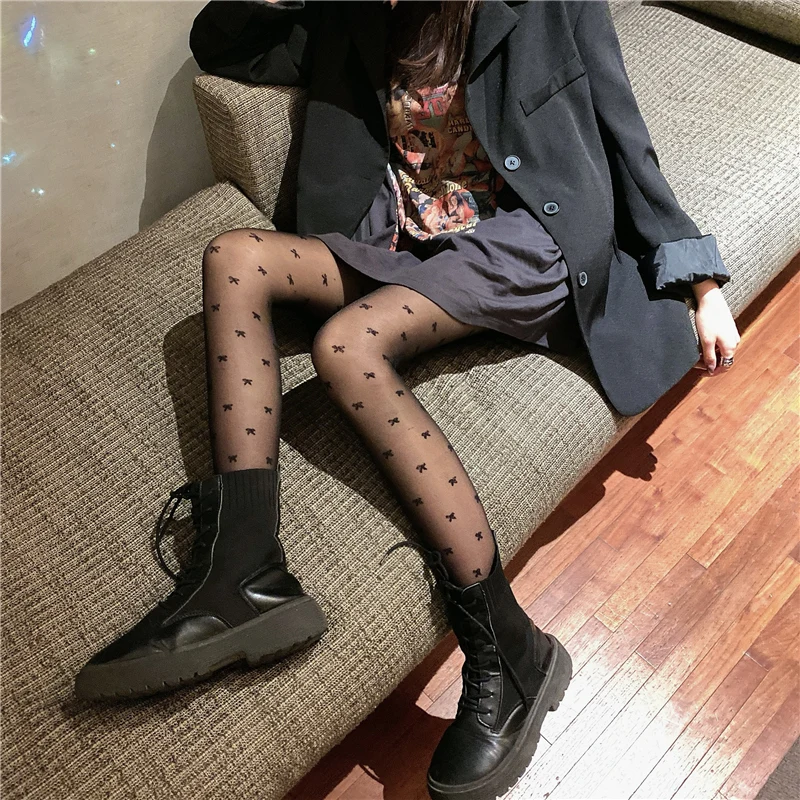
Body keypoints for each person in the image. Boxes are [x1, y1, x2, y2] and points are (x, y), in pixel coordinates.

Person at [74, 2, 741, 799]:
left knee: (346, 346)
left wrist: (700, 283)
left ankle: (513, 651)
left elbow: (623, 131)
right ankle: (242, 576)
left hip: (524, 238)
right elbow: (230, 45)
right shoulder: (354, 12)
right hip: (408, 239)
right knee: (234, 257)